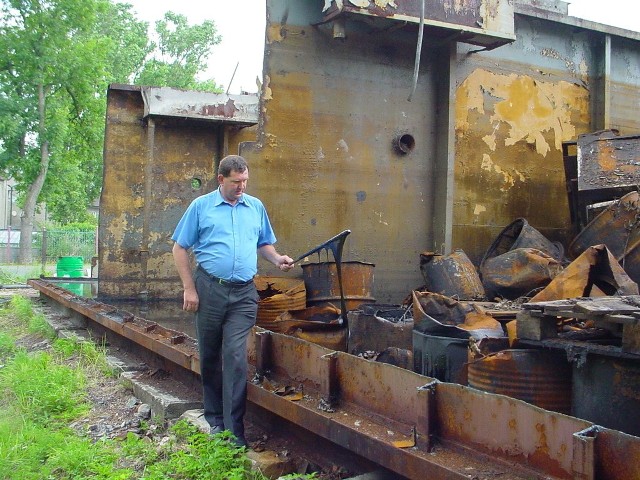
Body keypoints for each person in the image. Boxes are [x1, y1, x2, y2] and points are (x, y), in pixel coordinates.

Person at [172, 154, 294, 447]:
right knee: (211, 355)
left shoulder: (255, 207)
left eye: (245, 181)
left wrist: (277, 258)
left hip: (243, 294)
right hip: (209, 288)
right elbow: (179, 248)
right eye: (236, 182)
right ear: (221, 180)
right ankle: (215, 419)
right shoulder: (201, 207)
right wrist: (189, 289)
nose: (242, 186)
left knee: (236, 357)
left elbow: (263, 242)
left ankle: (235, 431)